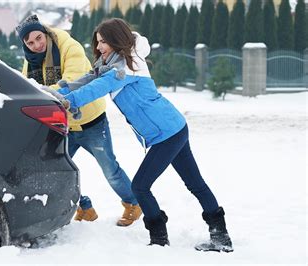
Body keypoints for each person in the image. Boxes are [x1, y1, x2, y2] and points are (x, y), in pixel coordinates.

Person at [58, 18, 233, 252]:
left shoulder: (126, 67)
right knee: (194, 183)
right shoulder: (111, 64)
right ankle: (220, 236)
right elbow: (87, 81)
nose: (98, 47)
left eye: (103, 42)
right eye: (98, 42)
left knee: (141, 186)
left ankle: (160, 239)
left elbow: (96, 88)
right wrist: (56, 93)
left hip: (168, 133)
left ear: (115, 40)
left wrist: (69, 102)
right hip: (172, 128)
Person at [15, 15, 142, 226]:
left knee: (110, 169)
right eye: (30, 42)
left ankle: (133, 204)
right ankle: (84, 207)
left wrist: (42, 93)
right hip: (62, 125)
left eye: (39, 38)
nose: (37, 45)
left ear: (45, 32)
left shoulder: (68, 47)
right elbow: (29, 87)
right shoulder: (30, 61)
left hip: (91, 121)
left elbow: (73, 82)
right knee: (54, 170)